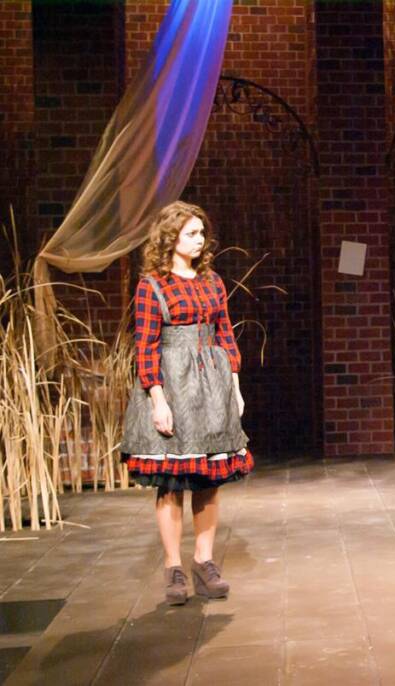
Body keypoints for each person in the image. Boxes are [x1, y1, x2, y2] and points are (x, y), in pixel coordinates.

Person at [121, 201, 253, 606]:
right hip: (173, 385)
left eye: (201, 234)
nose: (199, 240)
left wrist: (234, 385)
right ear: (170, 238)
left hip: (211, 386)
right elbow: (145, 347)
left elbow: (225, 334)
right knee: (171, 482)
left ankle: (205, 560)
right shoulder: (153, 285)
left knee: (209, 478)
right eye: (191, 234)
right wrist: (157, 399)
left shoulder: (212, 281)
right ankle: (173, 566)